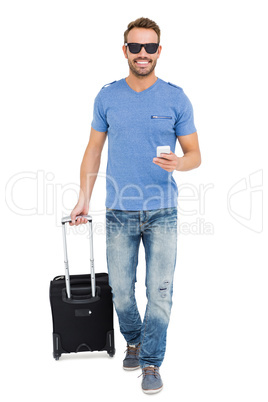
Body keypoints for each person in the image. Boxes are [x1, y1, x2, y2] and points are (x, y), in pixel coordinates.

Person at [70, 17, 201, 394]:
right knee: (121, 290)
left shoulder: (176, 98)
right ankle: (134, 338)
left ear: (159, 51)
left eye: (149, 47)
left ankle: (151, 362)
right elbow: (93, 150)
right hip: (118, 212)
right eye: (135, 47)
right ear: (124, 50)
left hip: (163, 211)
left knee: (160, 292)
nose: (142, 54)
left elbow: (194, 154)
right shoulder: (107, 96)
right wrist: (83, 198)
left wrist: (180, 162)